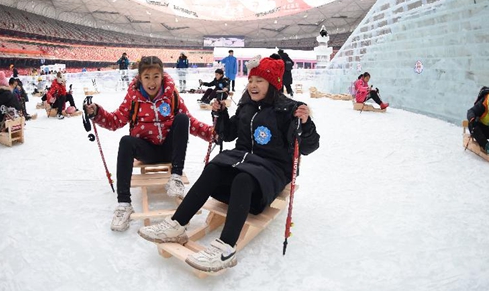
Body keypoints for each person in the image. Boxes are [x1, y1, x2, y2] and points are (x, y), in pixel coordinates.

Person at [138, 56, 320, 272]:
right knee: (215, 168)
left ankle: (226, 247)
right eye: (251, 80)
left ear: (273, 84)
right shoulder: (246, 106)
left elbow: (308, 147)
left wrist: (306, 124)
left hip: (272, 169)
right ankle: (177, 223)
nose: (253, 85)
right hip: (243, 160)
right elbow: (229, 134)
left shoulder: (289, 110)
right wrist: (220, 114)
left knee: (244, 178)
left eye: (260, 80)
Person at [83, 56, 214, 232]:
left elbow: (190, 122)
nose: (152, 82)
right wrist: (97, 113)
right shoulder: (134, 97)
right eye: (147, 77)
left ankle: (175, 178)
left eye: (155, 76)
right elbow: (115, 121)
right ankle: (124, 204)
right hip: (147, 150)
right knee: (126, 141)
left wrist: (212, 134)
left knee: (182, 119)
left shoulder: (171, 95)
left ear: (162, 76)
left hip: (169, 149)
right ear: (140, 78)